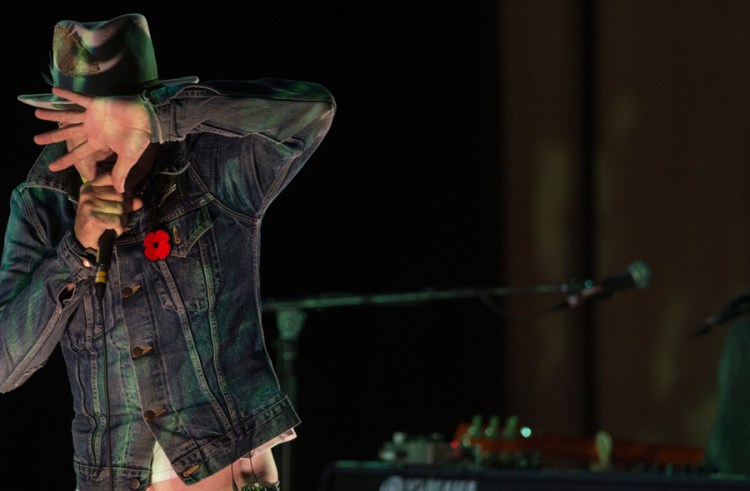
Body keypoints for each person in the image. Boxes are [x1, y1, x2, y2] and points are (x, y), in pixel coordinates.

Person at [0, 13, 335, 491]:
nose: (100, 138)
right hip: (113, 478)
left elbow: (312, 112)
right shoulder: (41, 203)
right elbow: (5, 365)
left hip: (222, 466)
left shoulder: (208, 166)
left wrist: (160, 117)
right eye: (81, 119)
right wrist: (75, 250)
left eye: (113, 120)